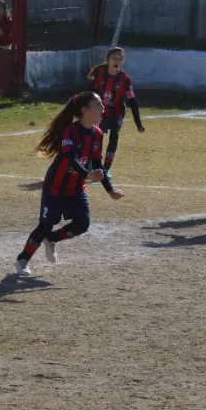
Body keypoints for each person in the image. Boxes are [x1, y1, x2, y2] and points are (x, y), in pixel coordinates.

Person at [15, 92, 124, 277]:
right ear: (85, 110)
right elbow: (69, 158)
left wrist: (110, 190)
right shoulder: (70, 131)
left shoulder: (97, 134)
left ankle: (53, 239)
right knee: (45, 224)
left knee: (82, 224)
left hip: (75, 188)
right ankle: (23, 260)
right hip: (55, 187)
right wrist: (88, 174)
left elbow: (98, 164)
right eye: (98, 105)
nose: (103, 109)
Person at [86, 46, 145, 174]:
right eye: (114, 58)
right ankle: (95, 164)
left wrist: (138, 124)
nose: (116, 61)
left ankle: (106, 167)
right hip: (99, 111)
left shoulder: (125, 79)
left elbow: (133, 101)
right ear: (108, 60)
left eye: (119, 59)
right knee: (97, 136)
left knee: (114, 136)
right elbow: (89, 92)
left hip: (116, 113)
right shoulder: (99, 74)